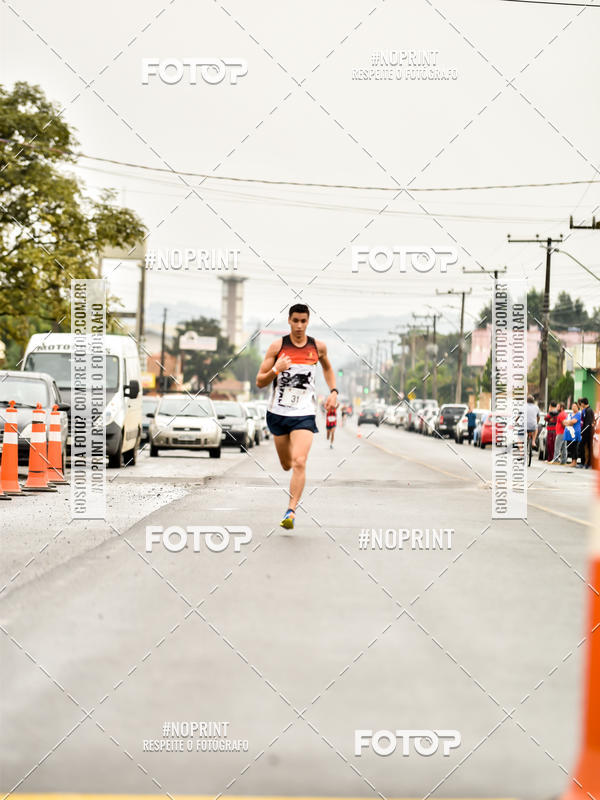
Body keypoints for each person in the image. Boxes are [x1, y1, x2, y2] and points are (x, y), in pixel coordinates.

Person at [255, 303, 338, 530]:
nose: (299, 325)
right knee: (286, 464)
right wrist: (276, 369)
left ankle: (291, 511)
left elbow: (328, 369)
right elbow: (260, 381)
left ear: (308, 322)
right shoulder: (277, 346)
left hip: (304, 413)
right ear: (289, 321)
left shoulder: (318, 347)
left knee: (300, 461)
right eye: (295, 321)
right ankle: (290, 479)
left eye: (303, 321)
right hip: (278, 413)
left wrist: (333, 391)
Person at [563, 402, 582, 467]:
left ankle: (574, 462)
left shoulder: (578, 414)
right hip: (569, 435)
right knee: (570, 448)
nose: (573, 407)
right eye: (573, 406)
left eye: (575, 406)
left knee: (574, 448)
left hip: (575, 434)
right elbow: (564, 422)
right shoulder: (569, 415)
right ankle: (572, 461)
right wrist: (569, 422)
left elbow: (573, 422)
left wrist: (568, 422)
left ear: (577, 407)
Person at [578, 397, 594, 469]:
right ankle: (583, 462)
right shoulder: (585, 410)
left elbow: (588, 424)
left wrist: (583, 432)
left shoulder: (589, 411)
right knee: (582, 447)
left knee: (588, 448)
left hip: (587, 433)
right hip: (583, 432)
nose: (581, 405)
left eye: (581, 403)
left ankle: (588, 463)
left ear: (583, 403)